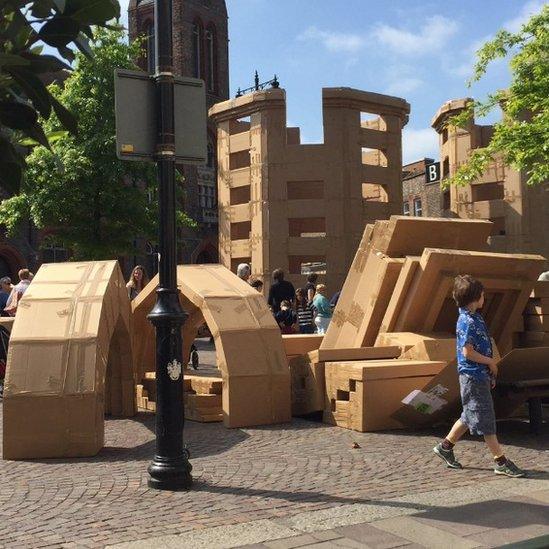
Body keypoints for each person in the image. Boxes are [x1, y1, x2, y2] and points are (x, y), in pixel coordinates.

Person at [433, 275, 525, 478]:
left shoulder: (474, 317)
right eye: (482, 295)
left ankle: (445, 447)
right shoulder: (466, 321)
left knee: (469, 414)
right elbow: (468, 352)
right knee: (486, 419)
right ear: (475, 298)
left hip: (478, 375)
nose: (484, 298)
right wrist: (491, 362)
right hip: (473, 376)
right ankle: (500, 461)